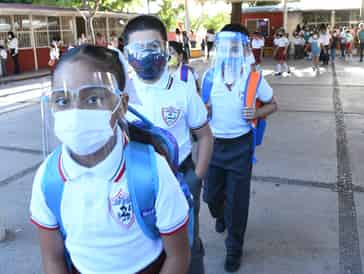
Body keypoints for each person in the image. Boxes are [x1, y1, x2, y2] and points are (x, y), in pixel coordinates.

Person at [30, 44, 191, 274]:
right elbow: (52, 258)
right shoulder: (48, 178)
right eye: (63, 101)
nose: (76, 113)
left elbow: (178, 255)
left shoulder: (151, 171)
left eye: (93, 99)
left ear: (121, 105)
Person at [123, 15, 214, 274]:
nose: (146, 56)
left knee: (187, 242)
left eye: (153, 47)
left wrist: (197, 178)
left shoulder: (183, 90)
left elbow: (205, 136)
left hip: (180, 176)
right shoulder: (120, 94)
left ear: (165, 48)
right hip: (137, 180)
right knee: (148, 244)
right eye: (138, 49)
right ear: (127, 53)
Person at [202, 24, 277, 272]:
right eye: (226, 45)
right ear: (220, 47)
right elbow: (200, 110)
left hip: (240, 147)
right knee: (211, 197)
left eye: (235, 46)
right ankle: (220, 214)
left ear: (243, 48)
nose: (230, 50)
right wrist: (205, 111)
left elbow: (273, 104)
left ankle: (234, 249)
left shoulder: (253, 78)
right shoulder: (209, 76)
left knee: (238, 202)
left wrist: (257, 111)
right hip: (213, 145)